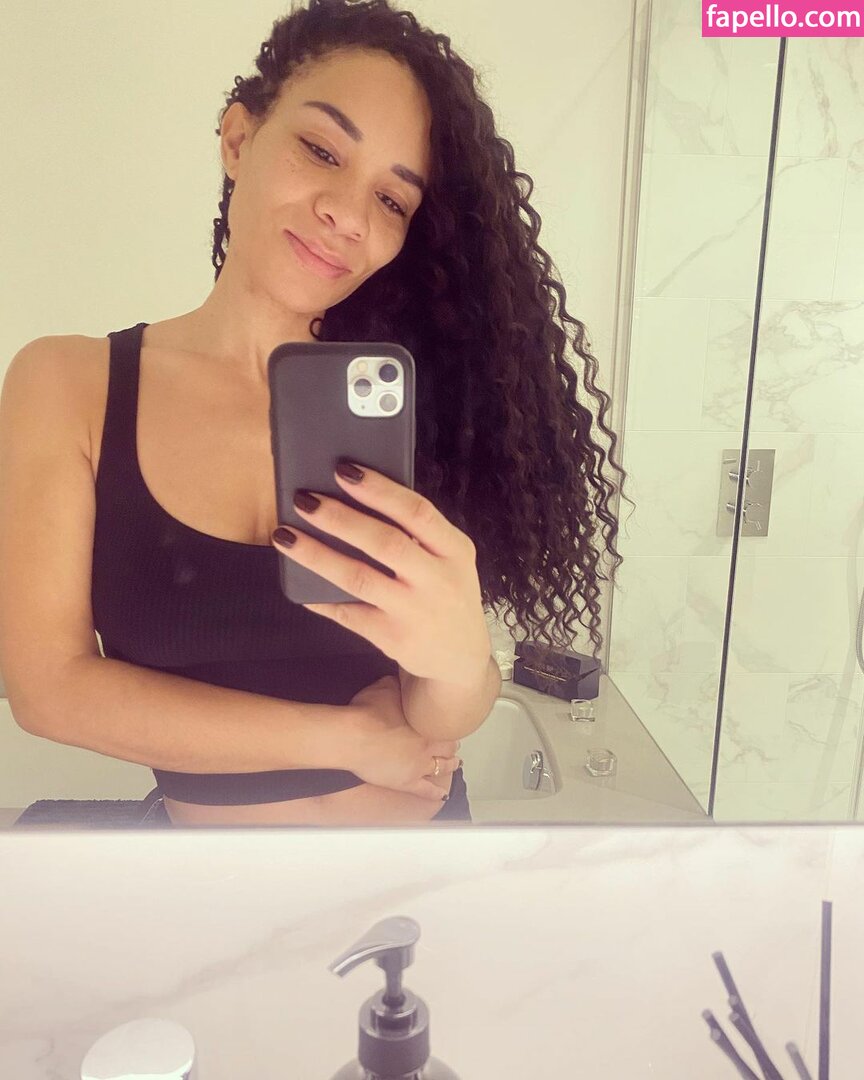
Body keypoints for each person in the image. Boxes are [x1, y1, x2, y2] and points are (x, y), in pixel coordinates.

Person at [0, 0, 629, 827]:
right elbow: (48, 690)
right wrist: (344, 740)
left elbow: (439, 711)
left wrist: (460, 659)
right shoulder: (70, 385)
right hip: (201, 892)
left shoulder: (405, 403)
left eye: (393, 201)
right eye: (322, 150)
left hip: (420, 873)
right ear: (238, 138)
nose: (348, 214)